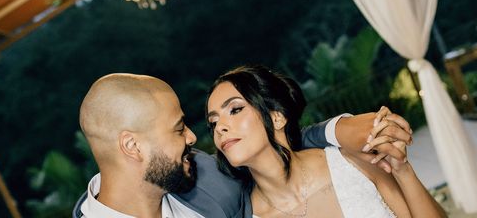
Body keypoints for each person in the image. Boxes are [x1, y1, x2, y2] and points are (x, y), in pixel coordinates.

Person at [74, 73, 412, 217]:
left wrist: (339, 130)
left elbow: (270, 150)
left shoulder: (204, 179)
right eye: (178, 129)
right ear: (132, 146)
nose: (192, 138)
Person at [206, 65, 447, 218]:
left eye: (235, 110)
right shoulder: (251, 215)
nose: (220, 127)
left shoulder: (352, 162)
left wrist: (403, 171)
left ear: (276, 116)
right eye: (213, 122)